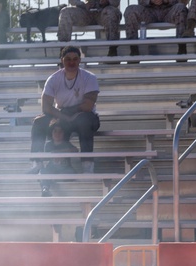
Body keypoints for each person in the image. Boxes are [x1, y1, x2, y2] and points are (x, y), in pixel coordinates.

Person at [28, 45, 100, 175]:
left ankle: (87, 165)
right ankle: (37, 162)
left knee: (84, 121)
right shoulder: (53, 79)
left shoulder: (90, 77)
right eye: (68, 59)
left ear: (80, 60)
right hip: (62, 116)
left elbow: (88, 106)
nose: (71, 62)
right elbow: (45, 107)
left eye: (75, 59)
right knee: (39, 122)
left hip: (84, 116)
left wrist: (68, 113)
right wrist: (65, 116)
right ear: (62, 60)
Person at [124, 0, 189, 58]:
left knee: (181, 8)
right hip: (149, 12)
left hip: (169, 10)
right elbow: (141, 2)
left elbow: (182, 1)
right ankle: (133, 49)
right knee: (130, 10)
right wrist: (151, 1)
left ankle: (182, 47)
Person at [57, 0, 122, 57]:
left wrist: (107, 1)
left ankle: (112, 49)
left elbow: (116, 2)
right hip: (85, 12)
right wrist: (83, 4)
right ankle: (63, 49)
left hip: (103, 12)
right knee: (65, 12)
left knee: (112, 12)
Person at [39, 120, 79, 196]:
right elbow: (44, 157)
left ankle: (54, 179)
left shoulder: (66, 144)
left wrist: (60, 151)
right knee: (43, 171)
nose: (57, 134)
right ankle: (45, 189)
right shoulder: (49, 144)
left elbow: (75, 150)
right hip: (51, 169)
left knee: (72, 173)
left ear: (64, 133)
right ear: (51, 133)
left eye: (60, 132)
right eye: (55, 131)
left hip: (65, 169)